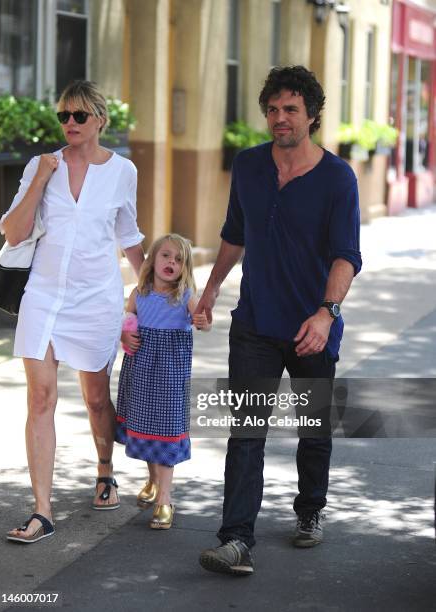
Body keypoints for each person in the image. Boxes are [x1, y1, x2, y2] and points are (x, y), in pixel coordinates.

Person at [196, 66, 362, 575]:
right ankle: (236, 540)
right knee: (246, 432)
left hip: (312, 329)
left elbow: (346, 255)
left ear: (312, 115)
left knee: (313, 428)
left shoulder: (338, 177)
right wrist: (211, 287)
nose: (279, 118)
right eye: (272, 109)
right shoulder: (247, 165)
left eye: (290, 109)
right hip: (255, 324)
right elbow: (234, 231)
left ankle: (310, 509)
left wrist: (325, 313)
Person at [2, 80, 144, 544]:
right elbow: (14, 233)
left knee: (97, 399)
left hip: (96, 297)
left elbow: (129, 235)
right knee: (40, 399)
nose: (70, 124)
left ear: (101, 120)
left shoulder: (123, 171)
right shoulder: (41, 165)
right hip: (43, 295)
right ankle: (42, 509)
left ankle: (105, 470)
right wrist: (42, 178)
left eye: (79, 115)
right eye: (64, 115)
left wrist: (155, 293)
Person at [115, 234, 211, 530]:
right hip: (141, 371)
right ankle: (154, 480)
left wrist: (203, 320)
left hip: (170, 376)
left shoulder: (184, 297)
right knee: (144, 426)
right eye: (166, 256)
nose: (172, 262)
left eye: (179, 259)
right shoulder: (138, 294)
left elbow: (202, 319)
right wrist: (124, 333)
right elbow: (126, 322)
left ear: (185, 267)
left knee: (166, 428)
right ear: (152, 260)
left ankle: (165, 500)